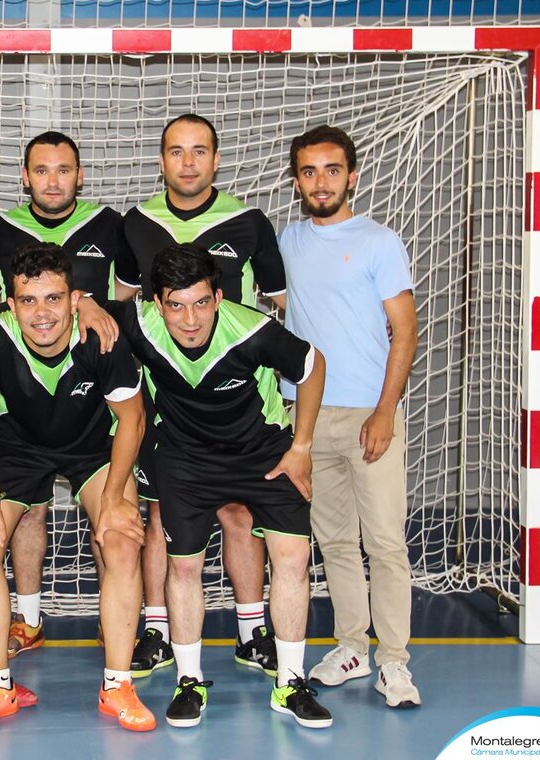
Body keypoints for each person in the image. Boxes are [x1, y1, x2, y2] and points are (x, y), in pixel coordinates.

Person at [106, 244, 332, 729]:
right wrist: (84, 302)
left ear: (219, 296)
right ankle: (190, 681)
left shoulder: (251, 330)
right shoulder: (139, 323)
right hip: (186, 460)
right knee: (184, 569)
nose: (190, 319)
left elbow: (312, 365)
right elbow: (87, 306)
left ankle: (290, 681)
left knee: (293, 559)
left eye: (201, 302)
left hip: (264, 454)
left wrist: (303, 446)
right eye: (176, 304)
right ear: (156, 302)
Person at [119, 114, 288, 679]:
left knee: (242, 514)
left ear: (216, 159)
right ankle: (158, 630)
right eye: (175, 151)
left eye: (198, 152)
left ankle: (251, 630)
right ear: (161, 159)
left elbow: (279, 306)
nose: (187, 163)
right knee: (160, 514)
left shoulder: (248, 222)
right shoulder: (136, 223)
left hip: (243, 405)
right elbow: (120, 310)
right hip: (167, 407)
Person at [0, 243, 153, 733]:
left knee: (123, 539)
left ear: (74, 299)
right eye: (28, 300)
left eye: (53, 299)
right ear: (10, 302)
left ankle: (118, 686)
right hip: (18, 450)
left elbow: (132, 419)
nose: (41, 313)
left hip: (91, 450)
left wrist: (112, 500)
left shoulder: (101, 340)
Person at [0, 131, 137, 657]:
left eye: (63, 169)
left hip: (91, 398)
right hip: (21, 404)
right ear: (25, 177)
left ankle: (111, 622)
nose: (53, 180)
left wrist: (88, 306)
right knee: (26, 513)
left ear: (80, 174)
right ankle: (27, 617)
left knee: (113, 521)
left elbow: (129, 304)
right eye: (41, 170)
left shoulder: (109, 225)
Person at [280, 125, 420, 709]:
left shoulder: (379, 242)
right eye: (309, 171)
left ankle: (394, 662)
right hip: (307, 418)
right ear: (296, 182)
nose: (321, 181)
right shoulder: (285, 241)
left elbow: (406, 331)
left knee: (384, 543)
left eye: (332, 170)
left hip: (368, 413)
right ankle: (352, 645)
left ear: (352, 175)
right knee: (333, 541)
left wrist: (385, 411)